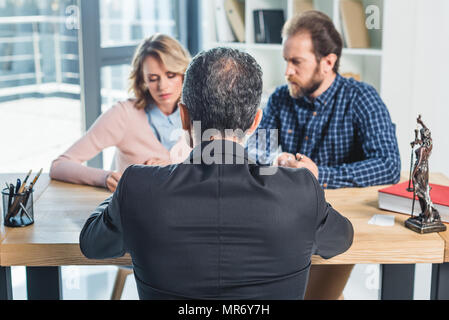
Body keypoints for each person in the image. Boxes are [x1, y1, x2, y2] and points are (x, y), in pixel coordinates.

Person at [79, 47, 353, 300]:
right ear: (255, 122)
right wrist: (310, 185)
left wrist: (124, 191)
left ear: (183, 117)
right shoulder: (300, 190)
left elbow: (92, 244)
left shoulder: (138, 186)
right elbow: (342, 238)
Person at [246, 11, 401, 299]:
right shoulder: (281, 97)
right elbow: (255, 148)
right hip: (288, 221)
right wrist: (273, 161)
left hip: (336, 223)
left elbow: (389, 165)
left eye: (296, 62)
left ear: (328, 62)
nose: (287, 71)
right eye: (286, 61)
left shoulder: (361, 98)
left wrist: (320, 175)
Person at [50, 34, 191, 192]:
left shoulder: (200, 113)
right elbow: (59, 166)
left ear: (184, 73)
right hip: (135, 212)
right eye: (152, 78)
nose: (162, 86)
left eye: (171, 75)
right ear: (142, 80)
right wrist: (105, 178)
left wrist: (170, 168)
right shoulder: (124, 115)